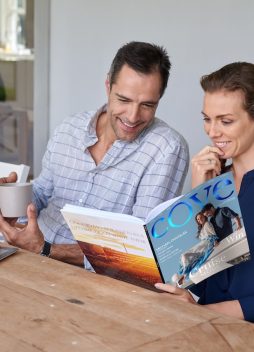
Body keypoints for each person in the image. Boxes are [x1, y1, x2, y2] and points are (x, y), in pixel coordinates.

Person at [0, 41, 189, 267]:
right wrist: (11, 199)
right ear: (108, 85)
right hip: (25, 254)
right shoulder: (70, 128)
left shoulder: (166, 148)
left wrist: (46, 249)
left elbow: (139, 252)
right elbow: (42, 193)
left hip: (84, 276)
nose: (132, 116)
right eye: (124, 100)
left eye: (147, 105)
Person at [155, 61, 254, 323]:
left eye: (226, 121)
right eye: (207, 119)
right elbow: (195, 278)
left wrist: (201, 312)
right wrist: (198, 195)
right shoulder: (216, 181)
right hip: (200, 327)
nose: (212, 131)